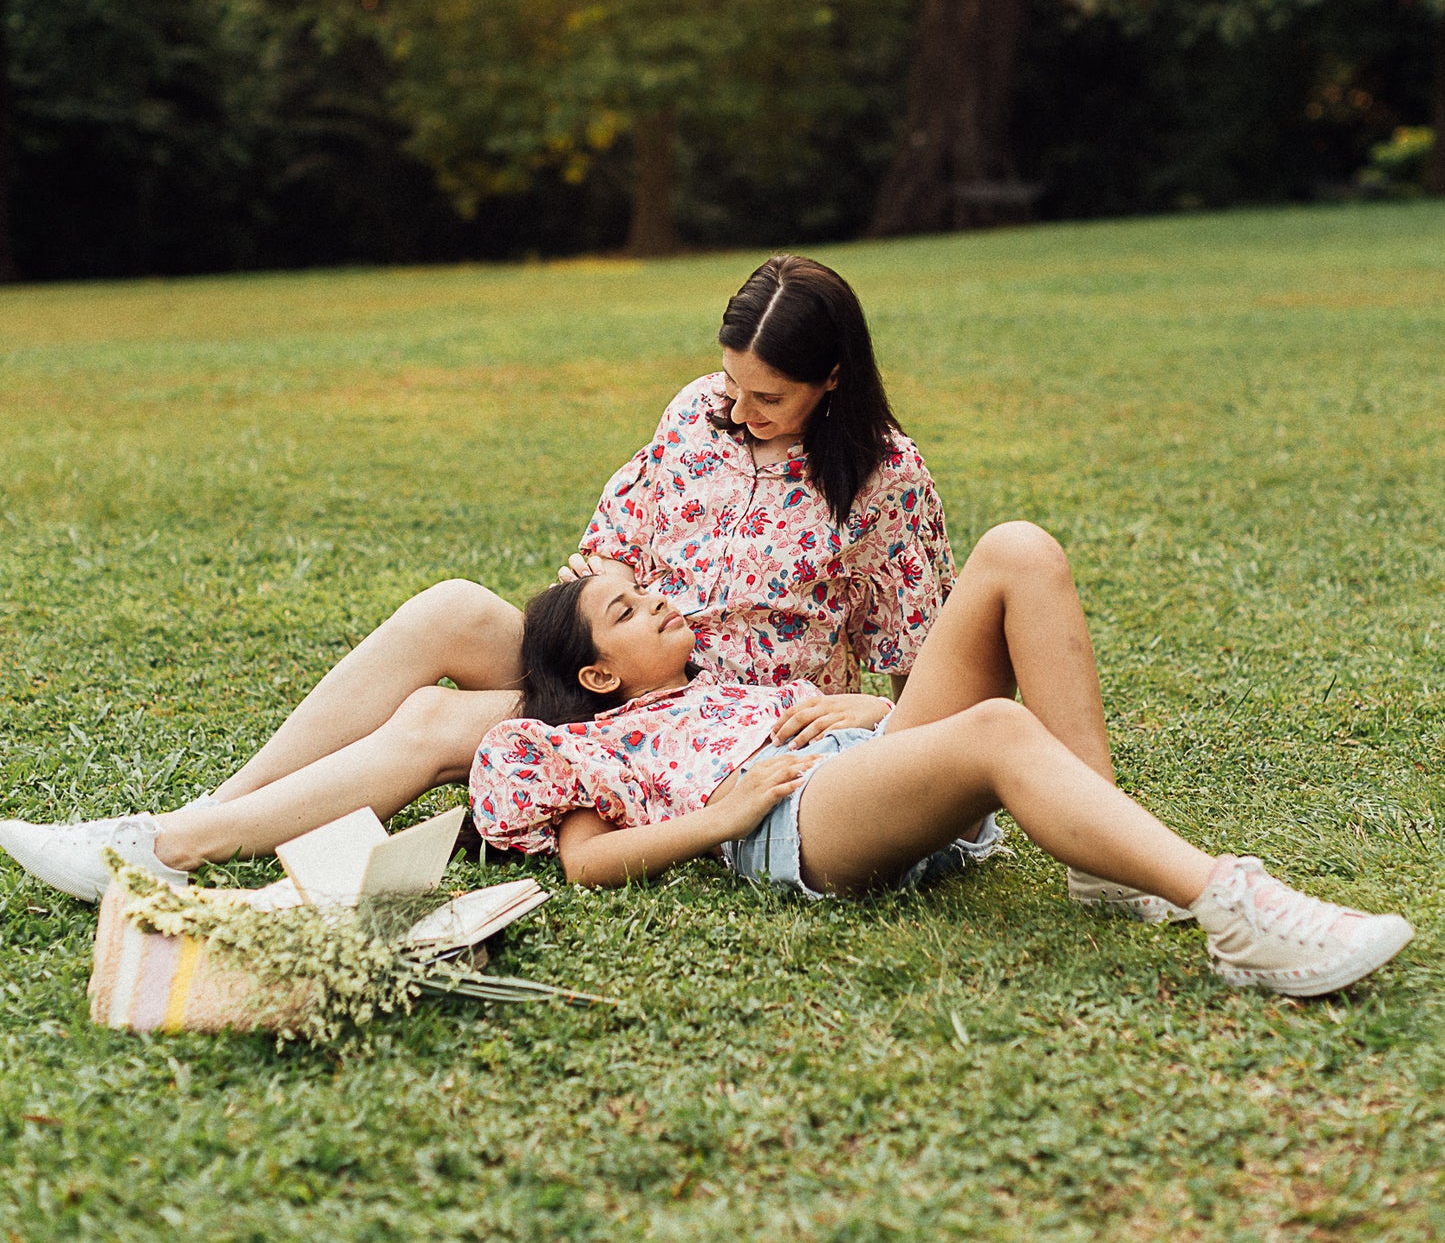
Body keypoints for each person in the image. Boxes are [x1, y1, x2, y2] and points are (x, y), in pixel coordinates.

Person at [6, 254, 1050, 903]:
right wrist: (592, 627)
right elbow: (609, 545)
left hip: (713, 724)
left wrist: (849, 703)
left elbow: (927, 676)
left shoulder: (882, 479)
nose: (734, 410)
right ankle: (210, 809)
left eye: (765, 396)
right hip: (622, 659)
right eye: (727, 382)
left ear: (832, 383)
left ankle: (168, 846)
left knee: (430, 723)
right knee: (452, 611)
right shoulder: (694, 411)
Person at [467, 561, 1414, 999]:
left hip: (853, 764)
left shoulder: (727, 683)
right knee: (999, 727)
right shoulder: (589, 746)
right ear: (596, 674)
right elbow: (587, 862)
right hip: (791, 818)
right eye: (629, 608)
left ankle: (1109, 866)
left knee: (1018, 549)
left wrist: (875, 711)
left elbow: (868, 729)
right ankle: (1232, 907)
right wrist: (727, 815)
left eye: (644, 585)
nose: (660, 598)